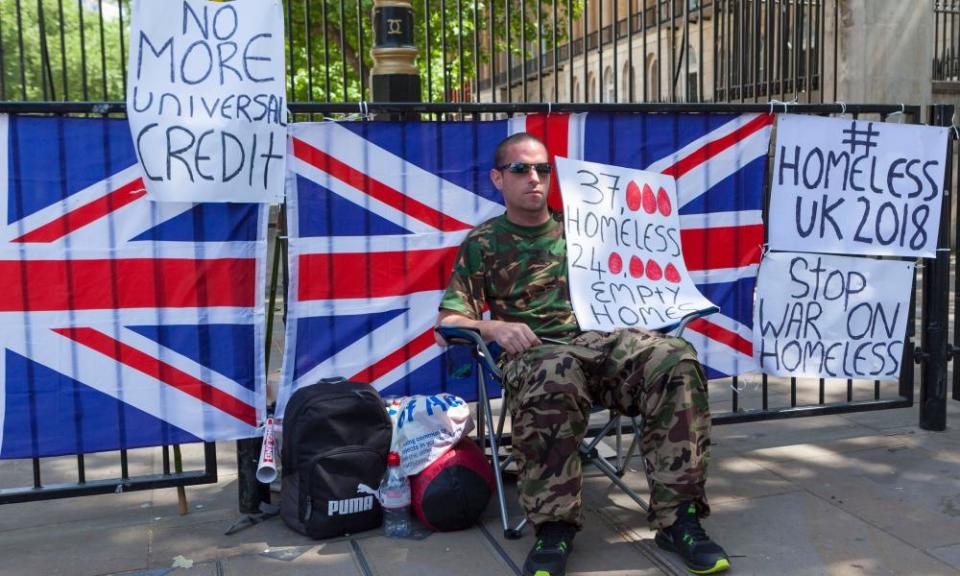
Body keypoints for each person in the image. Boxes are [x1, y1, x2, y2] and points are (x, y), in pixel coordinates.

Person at [436, 133, 730, 576]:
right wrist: (491, 326)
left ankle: (680, 519)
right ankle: (554, 529)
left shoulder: (587, 225)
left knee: (675, 358)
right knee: (555, 373)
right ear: (498, 178)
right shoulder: (484, 243)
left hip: (605, 342)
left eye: (542, 169)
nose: (534, 178)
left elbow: (641, 276)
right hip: (540, 353)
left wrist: (652, 306)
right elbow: (448, 325)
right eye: (520, 169)